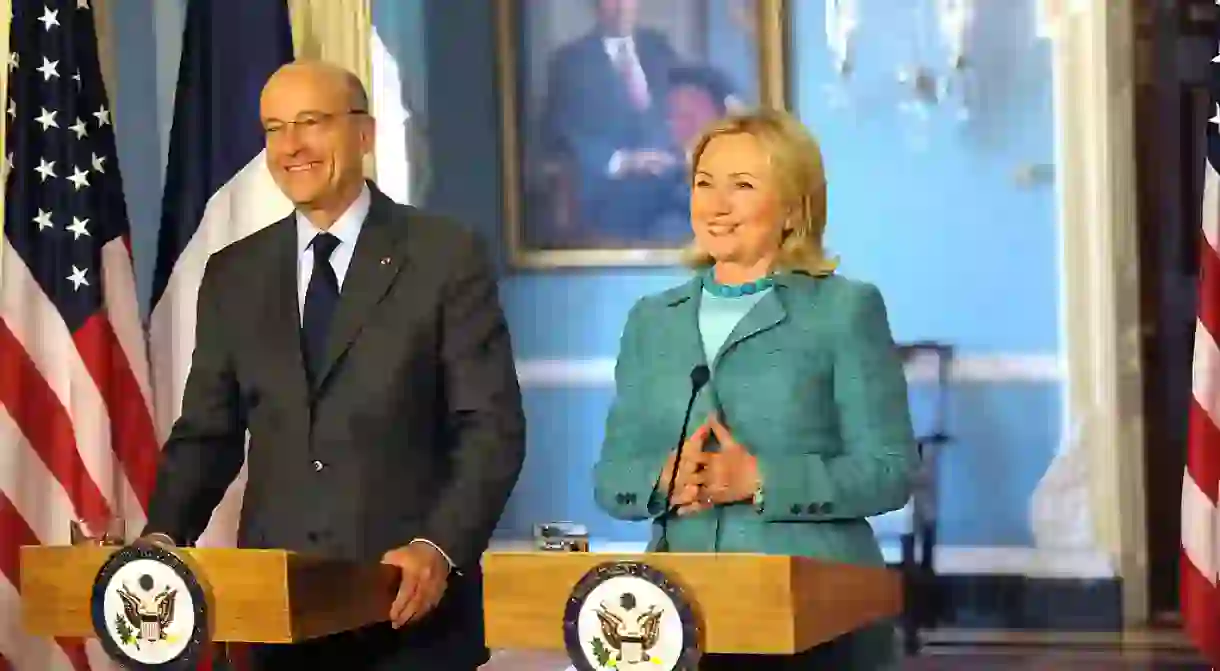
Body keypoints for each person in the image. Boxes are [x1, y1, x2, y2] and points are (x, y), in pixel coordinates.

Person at [140, 61, 526, 671]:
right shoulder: (234, 273)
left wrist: (439, 547)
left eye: (311, 123)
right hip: (279, 617)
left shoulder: (443, 255)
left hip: (408, 610)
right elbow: (207, 435)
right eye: (274, 129)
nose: (290, 147)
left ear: (364, 134)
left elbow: (490, 428)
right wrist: (160, 541)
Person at [592, 108, 916, 670]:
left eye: (742, 186)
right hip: (677, 614)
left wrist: (762, 479)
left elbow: (890, 471)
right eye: (703, 184)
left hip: (818, 613)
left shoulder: (845, 310)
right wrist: (661, 479)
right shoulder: (652, 320)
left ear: (793, 206)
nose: (716, 205)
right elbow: (612, 476)